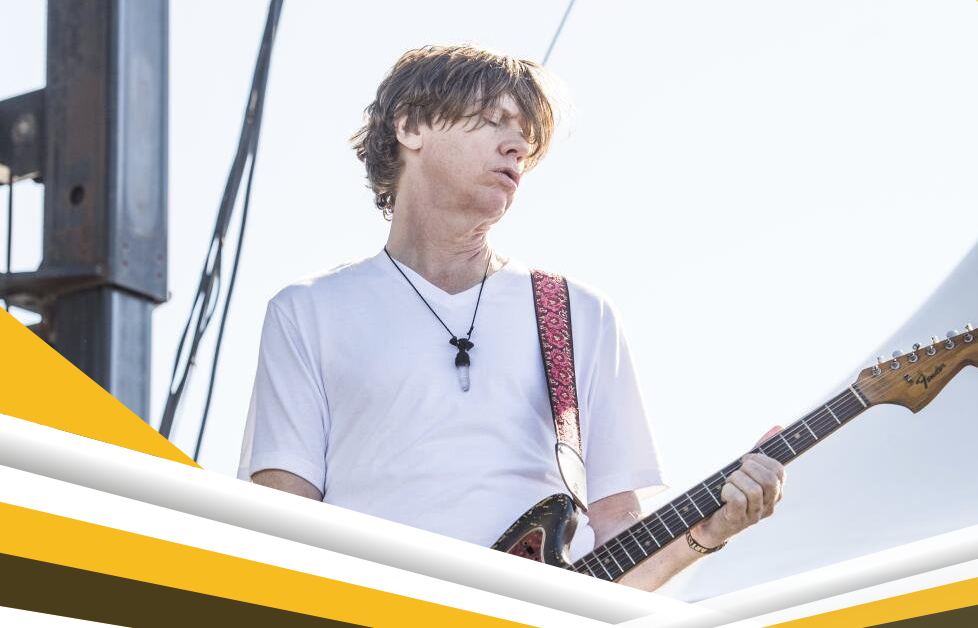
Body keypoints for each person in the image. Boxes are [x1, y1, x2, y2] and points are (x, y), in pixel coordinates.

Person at [237, 44, 786, 592]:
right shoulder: (309, 311)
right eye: (494, 120)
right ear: (410, 127)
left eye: (526, 137)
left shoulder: (577, 314)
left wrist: (706, 535)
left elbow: (617, 545)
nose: (517, 146)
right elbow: (283, 528)